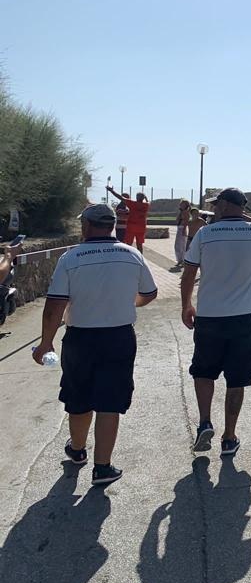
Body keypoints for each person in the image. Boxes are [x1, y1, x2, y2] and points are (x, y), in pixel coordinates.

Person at [37, 203, 158, 485]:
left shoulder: (71, 258)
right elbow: (149, 293)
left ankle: (78, 450)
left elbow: (54, 307)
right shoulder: (132, 255)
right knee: (110, 401)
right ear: (112, 225)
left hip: (80, 339)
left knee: (78, 396)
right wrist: (127, 303)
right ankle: (102, 468)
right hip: (119, 337)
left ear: (87, 226)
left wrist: (45, 343)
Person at [180, 188, 251, 457]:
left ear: (227, 205)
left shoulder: (205, 234)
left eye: (217, 204)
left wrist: (186, 305)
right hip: (244, 317)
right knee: (237, 379)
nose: (213, 209)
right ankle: (229, 437)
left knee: (203, 372)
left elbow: (189, 272)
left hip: (210, 316)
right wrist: (242, 214)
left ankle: (205, 422)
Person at [106, 188, 150, 252]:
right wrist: (145, 197)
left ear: (136, 197)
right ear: (143, 198)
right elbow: (148, 202)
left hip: (131, 227)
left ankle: (128, 255)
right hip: (141, 228)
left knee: (129, 244)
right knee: (139, 245)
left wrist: (112, 191)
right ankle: (140, 256)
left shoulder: (132, 203)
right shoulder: (146, 205)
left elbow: (120, 197)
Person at [173, 199, 190, 269]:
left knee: (182, 245)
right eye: (180, 204)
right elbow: (177, 220)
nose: (180, 205)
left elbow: (186, 221)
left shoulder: (186, 212)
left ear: (186, 205)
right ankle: (179, 260)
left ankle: (183, 260)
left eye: (182, 204)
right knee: (177, 245)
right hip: (179, 228)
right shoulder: (181, 212)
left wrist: (184, 230)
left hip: (182, 228)